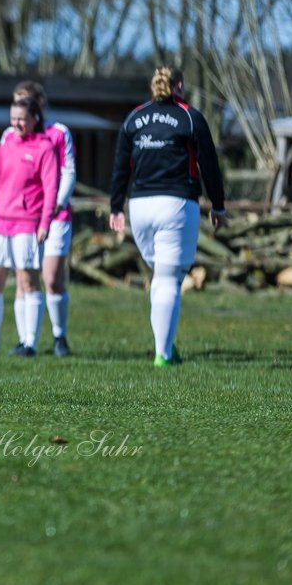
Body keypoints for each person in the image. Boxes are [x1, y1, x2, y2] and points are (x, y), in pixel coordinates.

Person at [109, 66, 227, 366]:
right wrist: (218, 204)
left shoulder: (135, 118)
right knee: (168, 279)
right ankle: (163, 354)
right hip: (175, 204)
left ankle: (166, 347)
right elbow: (208, 163)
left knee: (159, 276)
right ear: (180, 86)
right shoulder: (189, 116)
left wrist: (115, 206)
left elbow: (121, 165)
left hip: (140, 206)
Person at [0, 93, 58, 358]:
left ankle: (28, 342)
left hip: (27, 224)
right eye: (13, 119)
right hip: (0, 223)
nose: (16, 124)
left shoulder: (44, 147)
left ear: (35, 119)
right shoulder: (6, 142)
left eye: (22, 119)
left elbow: (51, 188)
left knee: (27, 281)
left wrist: (44, 222)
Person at [11, 81, 76, 356]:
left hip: (55, 217)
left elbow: (68, 172)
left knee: (51, 278)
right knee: (23, 279)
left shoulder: (58, 133)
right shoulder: (11, 136)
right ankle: (26, 340)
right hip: (24, 218)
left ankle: (59, 336)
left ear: (39, 105)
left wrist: (53, 208)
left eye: (26, 102)